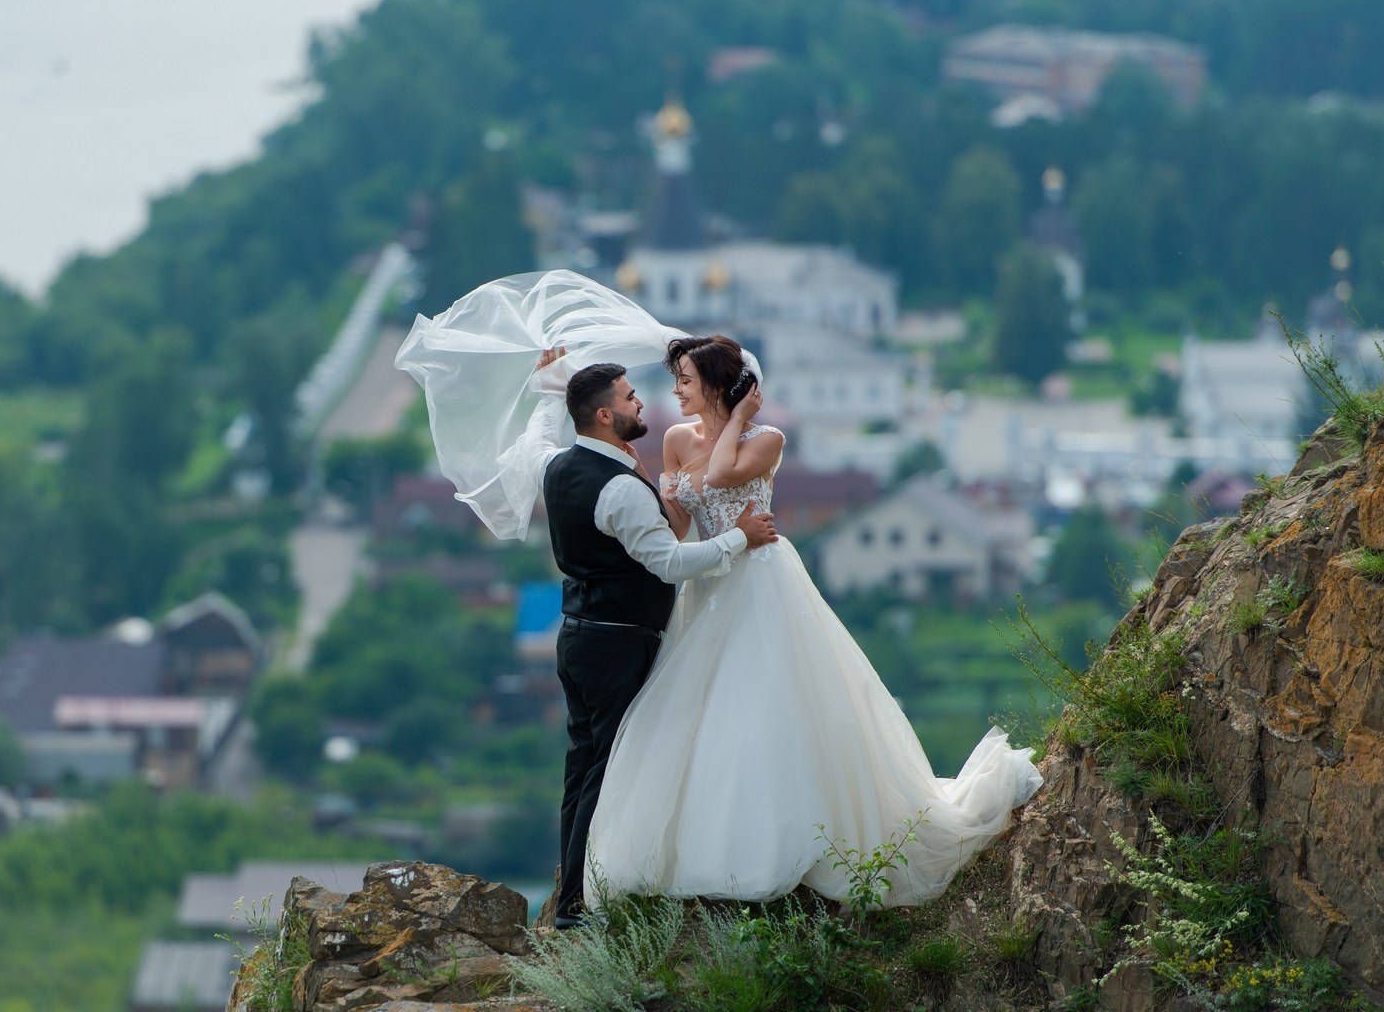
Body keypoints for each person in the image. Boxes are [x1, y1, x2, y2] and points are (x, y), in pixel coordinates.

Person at [395, 270, 1042, 915]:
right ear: (607, 414)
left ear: (714, 385)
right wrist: (668, 495)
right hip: (704, 581)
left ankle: (764, 843)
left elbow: (726, 473)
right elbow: (674, 533)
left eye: (683, 381)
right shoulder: (669, 445)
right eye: (651, 388)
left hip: (759, 576)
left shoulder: (766, 439)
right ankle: (635, 871)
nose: (667, 393)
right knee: (685, 722)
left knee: (761, 705)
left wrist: (735, 423)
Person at [535, 358, 779, 926]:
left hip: (579, 636)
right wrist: (739, 539)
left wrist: (552, 389)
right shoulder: (620, 488)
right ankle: (578, 903)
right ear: (604, 416)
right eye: (628, 396)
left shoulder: (559, 466)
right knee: (609, 766)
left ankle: (576, 891)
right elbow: (669, 562)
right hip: (618, 643)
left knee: (584, 767)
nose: (642, 401)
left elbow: (543, 442)